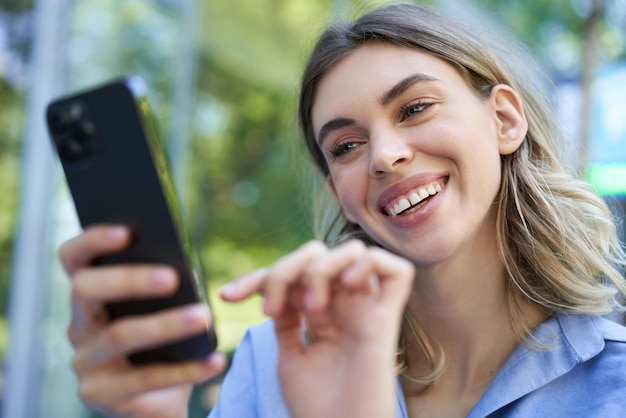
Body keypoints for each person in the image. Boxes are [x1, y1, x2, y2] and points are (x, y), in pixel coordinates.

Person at [59, 2, 626, 417]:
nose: (384, 155)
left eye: (416, 108)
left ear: (504, 120)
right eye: (346, 147)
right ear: (339, 193)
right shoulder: (272, 361)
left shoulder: (614, 385)